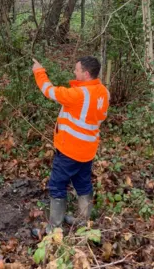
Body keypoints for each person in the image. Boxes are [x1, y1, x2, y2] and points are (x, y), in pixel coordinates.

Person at [31, 56, 110, 235]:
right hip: (88, 150)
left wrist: (39, 71)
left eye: (77, 70)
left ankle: (54, 231)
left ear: (86, 73)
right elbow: (101, 116)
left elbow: (49, 91)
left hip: (70, 151)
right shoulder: (104, 92)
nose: (74, 72)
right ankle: (83, 223)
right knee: (83, 184)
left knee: (57, 185)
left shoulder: (78, 95)